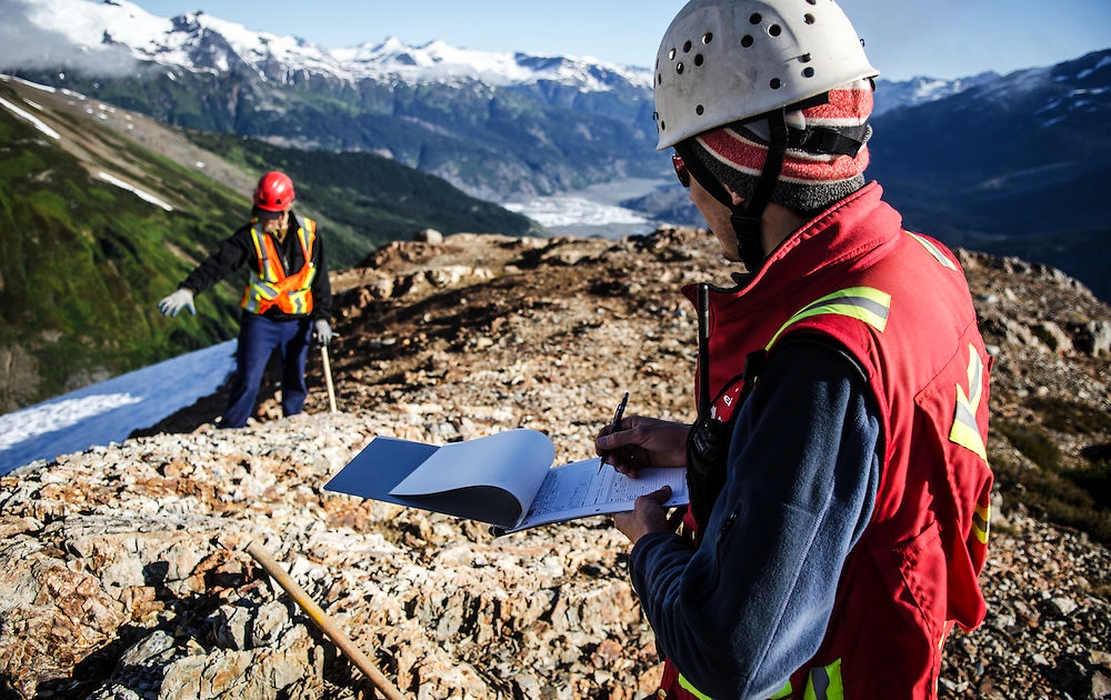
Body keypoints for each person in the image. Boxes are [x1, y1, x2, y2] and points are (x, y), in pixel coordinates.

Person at [594, 1, 994, 698]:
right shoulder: (921, 264)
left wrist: (647, 538)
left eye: (683, 170)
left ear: (729, 170)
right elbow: (871, 465)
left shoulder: (820, 360)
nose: (688, 195)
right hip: (889, 645)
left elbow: (732, 655)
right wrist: (701, 444)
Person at [158, 171, 333, 429]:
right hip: (261, 321)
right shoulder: (251, 236)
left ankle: (293, 424)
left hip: (299, 322)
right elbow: (219, 264)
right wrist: (189, 289)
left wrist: (322, 318)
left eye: (270, 214)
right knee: (249, 377)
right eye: (260, 212)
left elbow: (321, 281)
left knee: (294, 376)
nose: (264, 219)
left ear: (286, 209)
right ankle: (231, 427)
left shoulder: (311, 234)